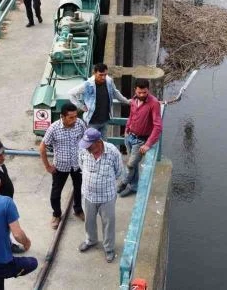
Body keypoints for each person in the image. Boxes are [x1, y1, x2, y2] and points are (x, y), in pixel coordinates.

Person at [77, 128, 123, 263]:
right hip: (88, 195)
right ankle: (91, 240)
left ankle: (109, 248)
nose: (87, 149)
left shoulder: (113, 152)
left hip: (107, 196)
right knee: (89, 220)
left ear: (98, 142)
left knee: (108, 223)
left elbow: (119, 172)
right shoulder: (83, 151)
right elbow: (81, 165)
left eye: (89, 146)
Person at [39, 102, 87, 229]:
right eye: (71, 117)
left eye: (76, 116)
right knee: (56, 193)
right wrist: (47, 166)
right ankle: (56, 214)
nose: (74, 119)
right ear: (62, 116)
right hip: (60, 167)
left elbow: (86, 140)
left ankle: (78, 210)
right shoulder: (54, 128)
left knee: (79, 188)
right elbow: (42, 147)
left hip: (77, 164)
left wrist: (86, 159)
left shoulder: (80, 124)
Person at [118, 79, 162, 197]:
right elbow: (131, 116)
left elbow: (158, 126)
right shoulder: (133, 100)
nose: (142, 95)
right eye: (139, 92)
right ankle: (134, 187)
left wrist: (148, 144)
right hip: (130, 137)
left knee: (130, 164)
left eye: (144, 92)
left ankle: (123, 183)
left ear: (148, 90)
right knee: (134, 165)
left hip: (141, 140)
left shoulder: (154, 103)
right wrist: (127, 129)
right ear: (135, 90)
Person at [69, 63, 129, 134]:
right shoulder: (88, 84)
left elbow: (115, 92)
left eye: (105, 75)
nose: (103, 77)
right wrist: (82, 107)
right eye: (100, 75)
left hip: (104, 121)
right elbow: (71, 93)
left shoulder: (109, 81)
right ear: (94, 73)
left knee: (103, 141)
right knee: (92, 140)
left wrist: (127, 101)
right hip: (92, 122)